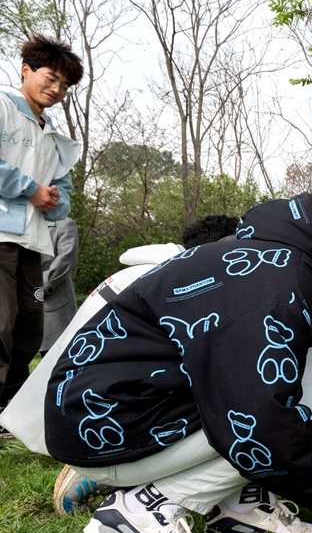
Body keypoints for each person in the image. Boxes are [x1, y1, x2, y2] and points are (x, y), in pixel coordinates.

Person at [35, 165, 312, 533]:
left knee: (306, 401)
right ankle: (143, 511)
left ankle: (239, 508)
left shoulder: (271, 261)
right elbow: (257, 416)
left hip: (111, 409)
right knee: (298, 413)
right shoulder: (276, 283)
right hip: (102, 425)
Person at [1, 216, 243, 509]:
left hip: (58, 420)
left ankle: (116, 471)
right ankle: (140, 496)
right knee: (240, 408)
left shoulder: (142, 270)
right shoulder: (187, 288)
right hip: (104, 427)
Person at [0, 35, 83, 407]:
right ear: (26, 70)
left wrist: (53, 200)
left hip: (33, 244)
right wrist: (32, 188)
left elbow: (62, 196)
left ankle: (10, 413)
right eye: (50, 78)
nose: (56, 89)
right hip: (1, 237)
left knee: (28, 330)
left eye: (64, 85)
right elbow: (33, 186)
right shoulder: (3, 106)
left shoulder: (54, 138)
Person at [37, 217, 79, 354]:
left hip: (54, 304)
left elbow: (65, 260)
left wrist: (37, 287)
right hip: (20, 301)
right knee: (17, 361)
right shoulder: (20, 224)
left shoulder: (64, 224)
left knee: (56, 358)